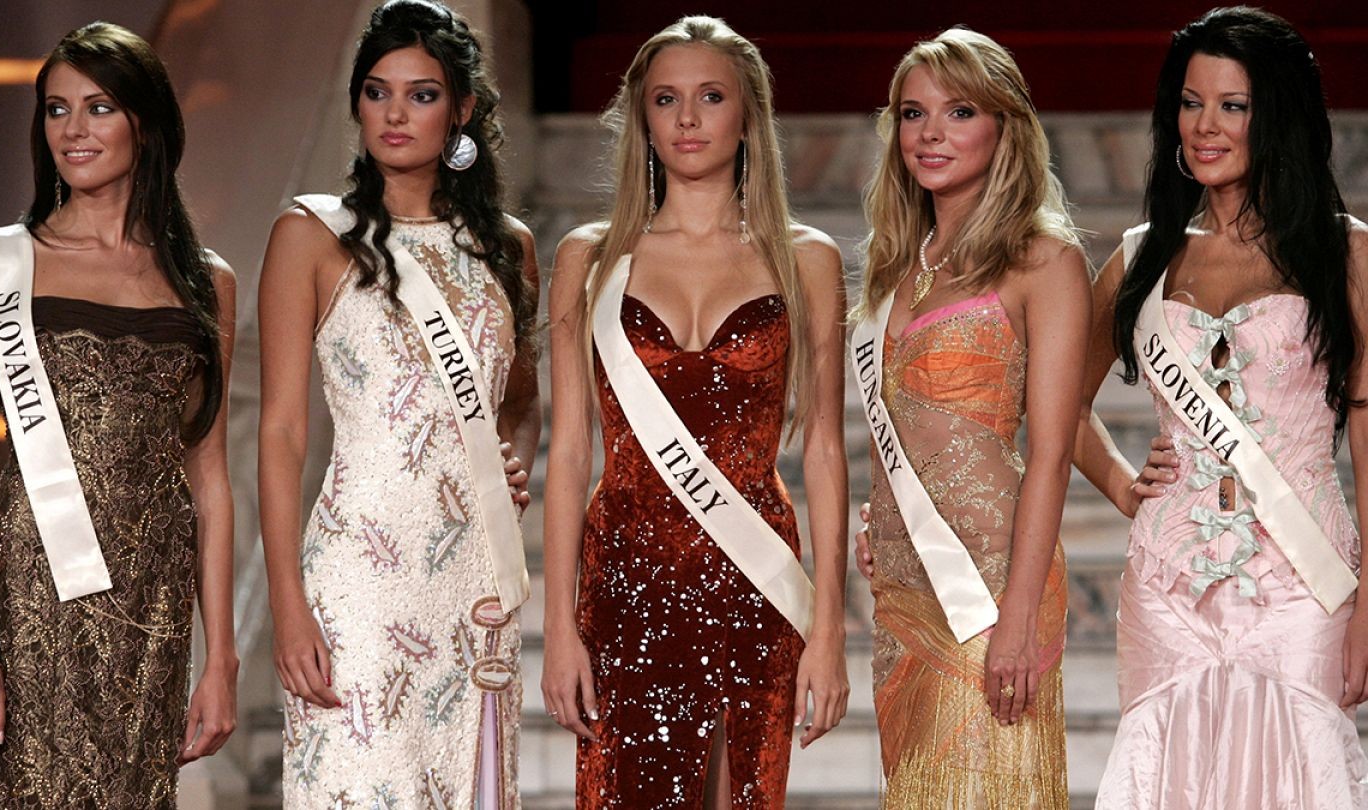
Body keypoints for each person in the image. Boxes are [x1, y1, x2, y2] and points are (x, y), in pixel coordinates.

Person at [540, 15, 849, 808]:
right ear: (641, 118)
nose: (687, 118)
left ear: (748, 115)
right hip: (625, 576)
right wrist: (558, 629)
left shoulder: (804, 257)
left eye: (710, 97)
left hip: (752, 573)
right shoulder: (589, 257)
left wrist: (830, 628)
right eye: (665, 99)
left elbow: (823, 448)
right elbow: (568, 452)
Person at [1071, 8, 1368, 807]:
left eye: (1232, 105)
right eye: (1191, 102)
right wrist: (1123, 484)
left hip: (1303, 583)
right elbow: (1058, 408)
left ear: (1278, 117)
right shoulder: (1141, 257)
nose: (1205, 126)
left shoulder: (1346, 252)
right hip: (1168, 585)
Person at [0, 21, 238, 807]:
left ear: (146, 123)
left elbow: (209, 479)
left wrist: (220, 657)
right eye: (56, 109)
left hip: (152, 602)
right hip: (31, 596)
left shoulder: (206, 282)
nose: (73, 130)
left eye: (98, 107)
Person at [257, 1, 539, 805]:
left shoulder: (507, 247)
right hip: (357, 581)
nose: (395, 113)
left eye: (422, 95)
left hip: (473, 578)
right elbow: (280, 432)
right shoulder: (313, 235)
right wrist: (287, 604)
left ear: (463, 110)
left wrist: (510, 467)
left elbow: (523, 401)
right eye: (377, 92)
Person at [851, 27, 1088, 808]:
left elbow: (1051, 452)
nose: (930, 133)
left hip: (989, 588)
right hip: (902, 587)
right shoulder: (896, 263)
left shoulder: (1042, 260)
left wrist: (1018, 617)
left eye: (959, 112)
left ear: (1004, 127)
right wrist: (881, 514)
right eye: (913, 114)